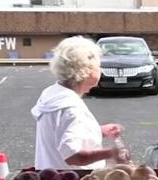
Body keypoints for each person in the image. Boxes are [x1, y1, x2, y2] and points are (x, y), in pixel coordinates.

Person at [31, 36, 125, 169]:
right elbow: (73, 156)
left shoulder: (51, 94)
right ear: (87, 69)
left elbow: (62, 132)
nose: (100, 71)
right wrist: (112, 153)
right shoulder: (70, 107)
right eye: (98, 66)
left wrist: (99, 131)